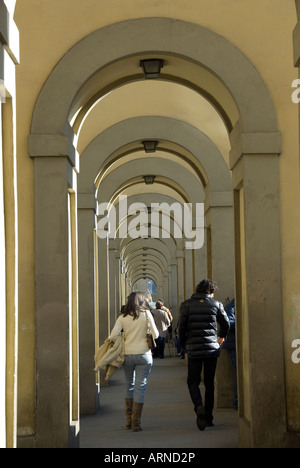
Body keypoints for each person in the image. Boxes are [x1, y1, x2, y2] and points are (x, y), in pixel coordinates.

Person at [179, 279, 230, 431]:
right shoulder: (217, 305)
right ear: (211, 292)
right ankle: (208, 417)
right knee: (209, 383)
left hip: (194, 349)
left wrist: (184, 346)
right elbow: (226, 324)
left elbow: (181, 328)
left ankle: (198, 406)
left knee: (192, 382)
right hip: (211, 350)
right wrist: (221, 337)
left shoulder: (186, 305)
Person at [108, 292, 159, 432]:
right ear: (142, 301)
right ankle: (136, 423)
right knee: (140, 387)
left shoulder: (122, 317)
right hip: (144, 355)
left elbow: (113, 336)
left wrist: (125, 336)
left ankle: (128, 420)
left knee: (129, 384)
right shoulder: (146, 314)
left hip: (128, 355)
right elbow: (156, 335)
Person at [222, 299, 238, 409]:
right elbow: (229, 323)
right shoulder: (231, 307)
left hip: (233, 343)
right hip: (233, 344)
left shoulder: (231, 306)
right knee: (239, 374)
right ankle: (237, 401)